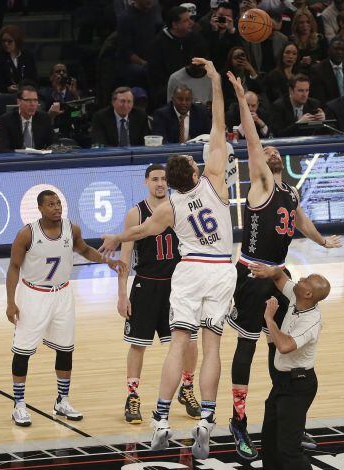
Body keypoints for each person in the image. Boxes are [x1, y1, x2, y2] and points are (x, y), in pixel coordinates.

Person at [100, 57, 233, 460]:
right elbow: (219, 126)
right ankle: (206, 422)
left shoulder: (169, 208)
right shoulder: (212, 181)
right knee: (210, 348)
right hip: (220, 270)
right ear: (194, 172)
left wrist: (115, 237)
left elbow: (138, 232)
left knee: (178, 344)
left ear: (169, 182)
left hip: (187, 273)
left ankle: (160, 420)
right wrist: (213, 80)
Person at [225, 71, 341, 460]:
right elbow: (253, 139)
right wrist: (242, 99)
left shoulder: (289, 191)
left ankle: (287, 418)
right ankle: (238, 423)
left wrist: (323, 240)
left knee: (285, 346)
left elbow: (301, 219)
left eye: (274, 149)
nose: (269, 150)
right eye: (266, 149)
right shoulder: (261, 183)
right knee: (247, 347)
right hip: (251, 272)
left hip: (278, 273)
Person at [5, 189, 122, 427]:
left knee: (66, 349)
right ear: (39, 208)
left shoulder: (72, 229)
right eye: (50, 204)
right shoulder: (26, 234)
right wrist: (10, 302)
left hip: (62, 294)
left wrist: (108, 261)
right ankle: (19, 404)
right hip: (33, 295)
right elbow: (14, 267)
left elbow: (84, 249)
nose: (56, 207)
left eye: (58, 203)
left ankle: (62, 401)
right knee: (23, 351)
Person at [117, 164, 201, 424]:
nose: (160, 183)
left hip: (177, 286)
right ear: (146, 182)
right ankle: (132, 396)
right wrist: (122, 294)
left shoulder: (180, 206)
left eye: (164, 179)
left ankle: (187, 389)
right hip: (146, 285)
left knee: (189, 342)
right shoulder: (136, 213)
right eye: (155, 179)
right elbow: (126, 256)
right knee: (138, 345)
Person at [248, 262, 330, 470]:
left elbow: (284, 346)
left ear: (309, 294)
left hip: (298, 387)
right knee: (270, 443)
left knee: (288, 449)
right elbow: (279, 277)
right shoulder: (297, 296)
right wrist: (269, 270)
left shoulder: (311, 321)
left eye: (305, 281)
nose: (300, 280)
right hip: (283, 383)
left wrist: (269, 318)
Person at [148, 5, 209, 109]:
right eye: (186, 21)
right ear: (175, 24)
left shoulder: (195, 38)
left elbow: (204, 62)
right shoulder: (158, 44)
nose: (191, 23)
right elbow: (156, 77)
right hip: (168, 88)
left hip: (193, 83)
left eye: (190, 19)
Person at [0, 84, 56, 152]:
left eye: (35, 100)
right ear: (19, 102)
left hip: (39, 160)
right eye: (28, 100)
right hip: (17, 160)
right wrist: (24, 152)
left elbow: (53, 144)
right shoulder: (5, 120)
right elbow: (2, 149)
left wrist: (46, 150)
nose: (32, 104)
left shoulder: (44, 118)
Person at [308, 37, 344, 104]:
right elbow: (318, 99)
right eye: (336, 49)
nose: (339, 52)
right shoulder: (317, 70)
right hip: (328, 110)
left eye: (343, 49)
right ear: (328, 50)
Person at [0, 25, 37, 93]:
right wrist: (7, 88)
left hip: (27, 93)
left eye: (10, 41)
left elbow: (33, 78)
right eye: (4, 41)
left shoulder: (27, 56)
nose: (6, 44)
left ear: (17, 41)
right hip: (5, 95)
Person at [290, 7, 327, 73]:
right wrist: (300, 63)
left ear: (312, 23)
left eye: (308, 22)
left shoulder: (320, 39)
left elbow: (327, 61)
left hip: (317, 74)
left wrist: (314, 61)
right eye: (301, 22)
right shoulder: (291, 41)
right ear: (296, 25)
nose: (305, 25)